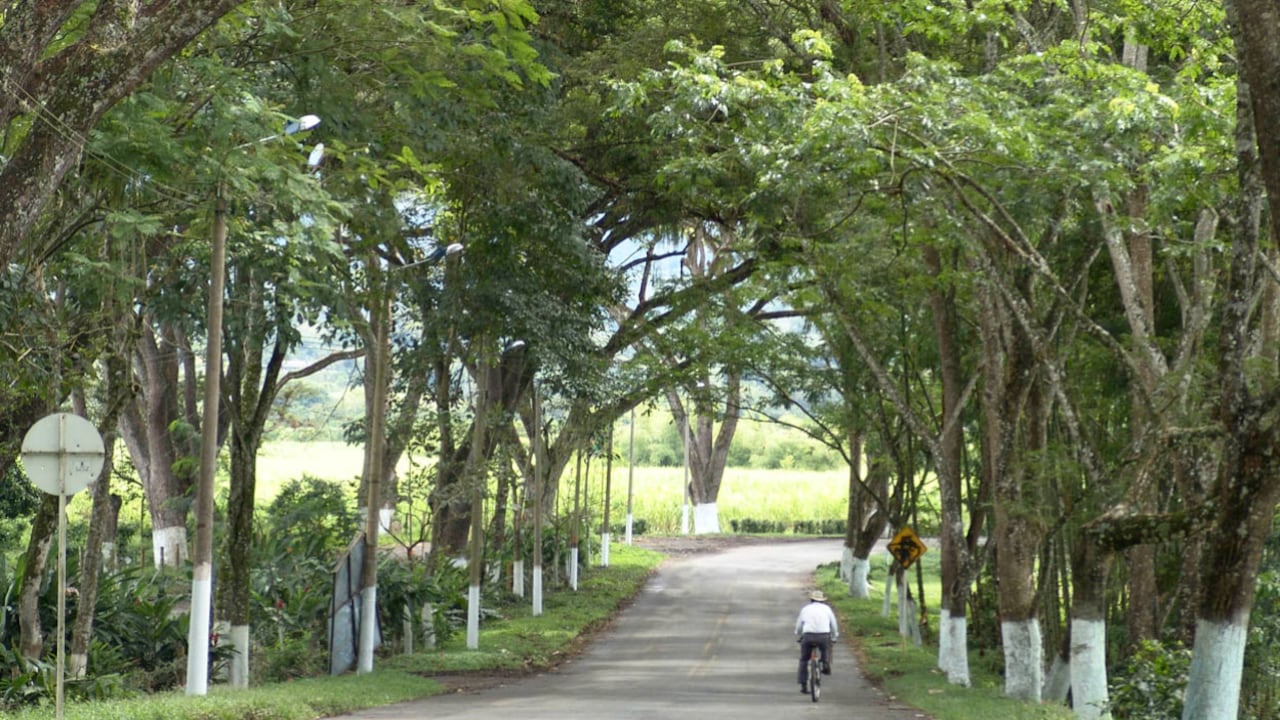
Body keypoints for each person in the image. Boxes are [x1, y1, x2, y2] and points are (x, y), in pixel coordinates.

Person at [795, 589, 838, 692]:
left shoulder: (805, 609)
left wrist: (799, 634)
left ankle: (803, 684)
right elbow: (833, 625)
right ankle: (825, 663)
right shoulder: (827, 609)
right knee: (826, 648)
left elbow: (799, 625)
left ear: (811, 600)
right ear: (823, 600)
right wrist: (834, 636)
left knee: (804, 659)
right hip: (824, 635)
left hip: (808, 635)